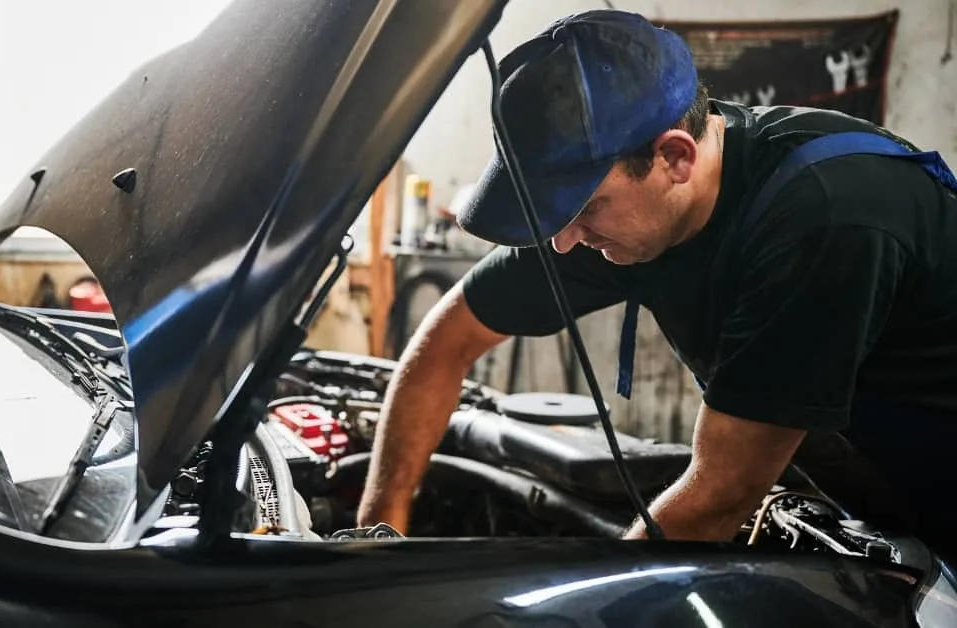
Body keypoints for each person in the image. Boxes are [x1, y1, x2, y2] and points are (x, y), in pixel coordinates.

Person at [356, 9, 957, 559]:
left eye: (584, 209)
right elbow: (447, 340)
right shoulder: (625, 206)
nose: (563, 242)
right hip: (864, 487)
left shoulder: (826, 219)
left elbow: (718, 497)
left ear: (675, 157)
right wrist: (379, 531)